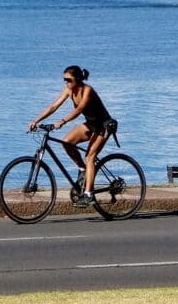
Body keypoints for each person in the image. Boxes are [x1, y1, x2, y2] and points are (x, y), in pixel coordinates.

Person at [29, 65, 116, 202]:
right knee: (67, 142)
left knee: (90, 158)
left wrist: (63, 121)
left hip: (104, 125)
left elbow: (80, 109)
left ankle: (89, 194)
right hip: (92, 125)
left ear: (77, 79)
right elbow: (53, 106)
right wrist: (36, 120)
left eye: (69, 80)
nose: (66, 83)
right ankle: (82, 170)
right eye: (64, 80)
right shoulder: (69, 91)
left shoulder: (87, 90)